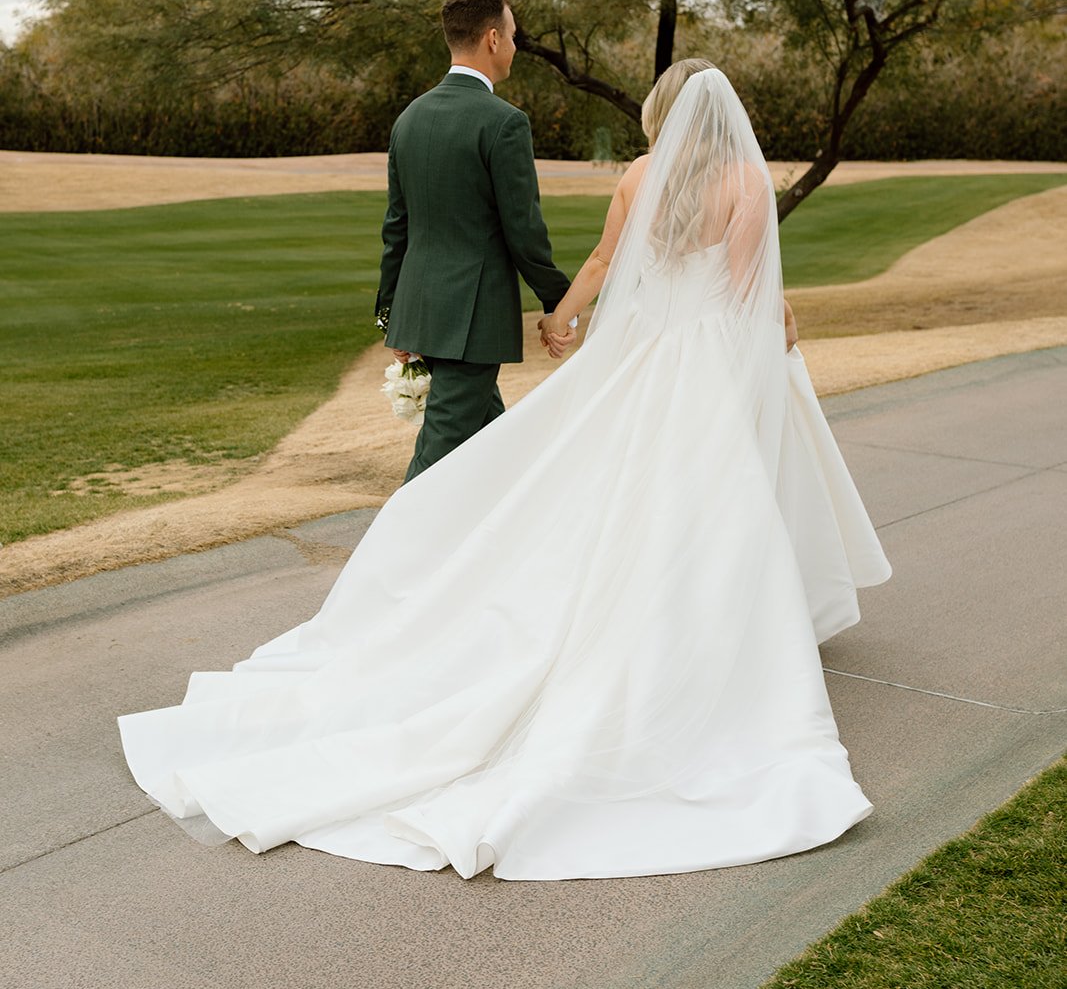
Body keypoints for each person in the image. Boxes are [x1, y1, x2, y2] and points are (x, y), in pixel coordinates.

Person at [119, 59, 891, 880]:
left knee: (612, 494)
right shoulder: (745, 179)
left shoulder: (638, 173)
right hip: (702, 363)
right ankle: (709, 631)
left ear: (659, 112)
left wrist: (560, 320)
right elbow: (743, 289)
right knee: (709, 501)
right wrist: (778, 329)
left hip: (641, 359)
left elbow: (601, 262)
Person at [376, 0, 574, 482]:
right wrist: (559, 303)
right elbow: (524, 231)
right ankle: (394, 555)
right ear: (491, 38)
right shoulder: (505, 123)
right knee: (437, 456)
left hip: (424, 310)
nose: (514, 46)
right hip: (471, 318)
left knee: (495, 448)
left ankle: (503, 551)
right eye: (511, 35)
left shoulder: (409, 118)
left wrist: (390, 315)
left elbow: (397, 227)